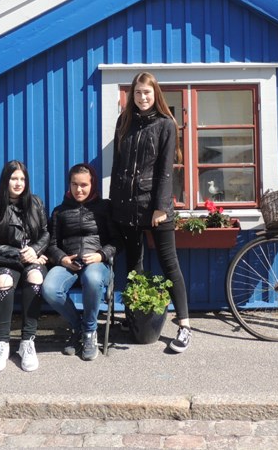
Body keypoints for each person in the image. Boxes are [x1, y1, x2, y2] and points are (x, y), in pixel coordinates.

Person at [109, 71, 192, 353]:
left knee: (169, 264)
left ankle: (184, 325)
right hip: (127, 206)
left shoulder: (165, 124)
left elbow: (166, 169)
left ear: (155, 94)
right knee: (135, 265)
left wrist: (160, 206)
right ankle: (137, 318)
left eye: (147, 92)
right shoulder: (124, 122)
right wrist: (114, 202)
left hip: (156, 208)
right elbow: (117, 166)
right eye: (137, 92)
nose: (142, 97)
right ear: (131, 95)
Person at [43, 163, 122, 361]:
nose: (79, 189)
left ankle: (89, 332)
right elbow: (51, 244)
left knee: (92, 278)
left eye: (84, 185)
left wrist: (101, 255)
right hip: (69, 265)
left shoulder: (104, 208)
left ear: (92, 184)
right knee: (50, 288)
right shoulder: (59, 211)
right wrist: (62, 258)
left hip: (97, 265)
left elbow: (117, 241)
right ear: (69, 184)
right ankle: (79, 327)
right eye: (74, 184)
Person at [0, 160, 49, 373]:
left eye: (22, 179)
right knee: (3, 280)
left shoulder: (35, 203)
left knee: (35, 277)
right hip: (7, 261)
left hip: (33, 261)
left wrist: (35, 250)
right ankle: (1, 342)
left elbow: (46, 233)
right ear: (5, 180)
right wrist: (18, 253)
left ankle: (27, 341)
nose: (18, 183)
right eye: (13, 178)